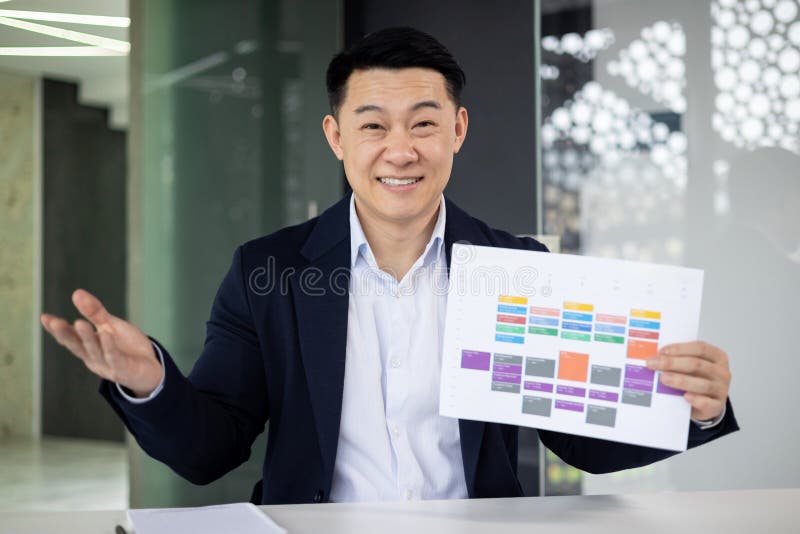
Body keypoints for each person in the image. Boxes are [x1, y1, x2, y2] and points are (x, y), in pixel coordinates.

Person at [40, 27, 738, 505]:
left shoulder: (514, 269)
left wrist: (691, 411)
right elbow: (210, 449)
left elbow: (579, 442)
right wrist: (149, 383)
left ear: (457, 131)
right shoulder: (271, 271)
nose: (399, 150)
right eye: (373, 125)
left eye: (424, 123)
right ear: (336, 137)